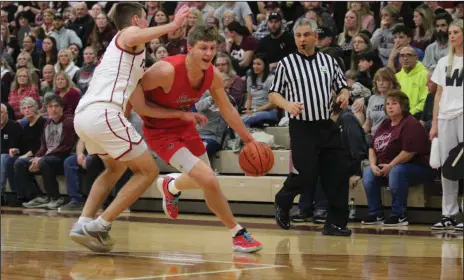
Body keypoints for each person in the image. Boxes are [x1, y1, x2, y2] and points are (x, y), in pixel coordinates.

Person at [69, 2, 190, 253]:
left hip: (85, 116)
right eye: (145, 18)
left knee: (114, 169)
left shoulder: (128, 60)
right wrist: (174, 25)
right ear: (136, 20)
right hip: (103, 112)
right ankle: (100, 225)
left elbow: (141, 108)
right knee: (147, 172)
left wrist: (179, 114)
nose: (146, 23)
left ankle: (83, 222)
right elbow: (133, 34)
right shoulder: (126, 35)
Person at [135, 25, 263, 253]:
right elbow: (134, 98)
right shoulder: (165, 71)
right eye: (203, 47)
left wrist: (249, 140)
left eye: (212, 48)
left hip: (186, 126)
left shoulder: (212, 74)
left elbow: (227, 109)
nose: (208, 53)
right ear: (189, 48)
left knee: (202, 179)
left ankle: (170, 185)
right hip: (160, 132)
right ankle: (237, 233)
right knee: (210, 180)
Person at [268, 18, 351, 236]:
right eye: (298, 36)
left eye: (306, 35)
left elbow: (342, 86)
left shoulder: (328, 61)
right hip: (302, 127)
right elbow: (273, 93)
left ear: (315, 36)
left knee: (338, 173)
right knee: (306, 175)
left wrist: (344, 95)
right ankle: (283, 200)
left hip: (326, 125)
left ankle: (335, 223)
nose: (302, 39)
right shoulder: (286, 64)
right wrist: (287, 104)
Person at [361, 90, 432, 226]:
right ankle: (376, 213)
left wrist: (390, 165)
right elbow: (372, 147)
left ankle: (399, 214)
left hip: (417, 167)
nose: (390, 107)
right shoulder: (385, 124)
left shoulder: (411, 123)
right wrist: (373, 164)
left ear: (403, 106)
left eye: (394, 104)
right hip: (388, 166)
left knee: (397, 171)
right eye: (387, 104)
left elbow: (408, 152)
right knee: (368, 171)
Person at [430, 19, 463, 231]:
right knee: (447, 168)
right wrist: (433, 124)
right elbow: (438, 94)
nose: (451, 36)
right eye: (450, 32)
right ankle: (448, 214)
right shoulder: (443, 62)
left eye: (456, 32)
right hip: (445, 117)